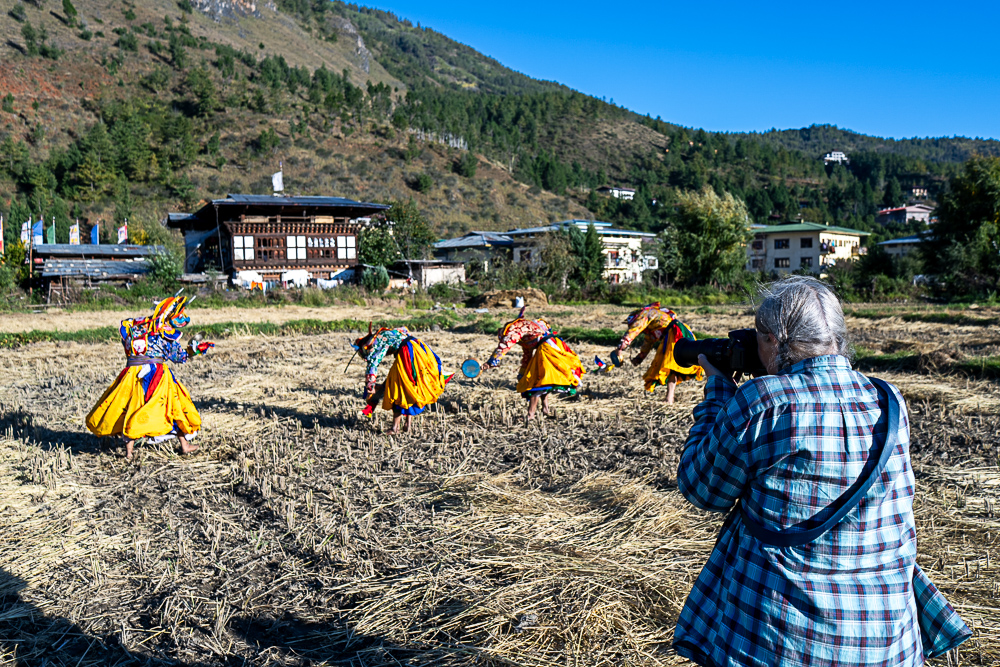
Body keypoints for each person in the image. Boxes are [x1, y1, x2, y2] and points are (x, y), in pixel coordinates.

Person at [673, 275, 970, 666]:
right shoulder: (888, 400)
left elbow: (700, 488)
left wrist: (717, 395)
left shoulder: (762, 402)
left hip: (780, 640)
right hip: (885, 638)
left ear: (774, 340)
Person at [86, 293, 214, 460]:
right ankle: (185, 445)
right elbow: (179, 357)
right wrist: (193, 350)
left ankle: (129, 453)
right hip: (157, 376)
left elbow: (127, 347)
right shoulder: (164, 333)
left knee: (131, 408)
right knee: (174, 406)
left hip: (131, 374)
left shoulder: (135, 328)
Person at [482, 309, 583, 422]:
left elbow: (504, 346)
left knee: (536, 383)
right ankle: (545, 409)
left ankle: (530, 415)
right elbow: (527, 356)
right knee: (544, 381)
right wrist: (522, 374)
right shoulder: (526, 335)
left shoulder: (513, 330)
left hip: (548, 348)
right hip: (550, 346)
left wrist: (490, 362)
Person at [353, 323, 450, 434]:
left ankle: (395, 428)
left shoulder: (376, 343)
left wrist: (370, 385)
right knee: (411, 387)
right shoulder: (389, 332)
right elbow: (405, 330)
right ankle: (407, 425)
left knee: (397, 388)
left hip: (407, 353)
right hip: (419, 348)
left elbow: (373, 363)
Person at [612, 302, 702, 404]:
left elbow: (635, 329)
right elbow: (648, 342)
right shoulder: (651, 327)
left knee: (668, 365)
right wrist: (640, 357)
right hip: (676, 332)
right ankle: (670, 398)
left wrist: (620, 347)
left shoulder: (645, 314)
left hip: (675, 334)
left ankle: (669, 399)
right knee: (671, 367)